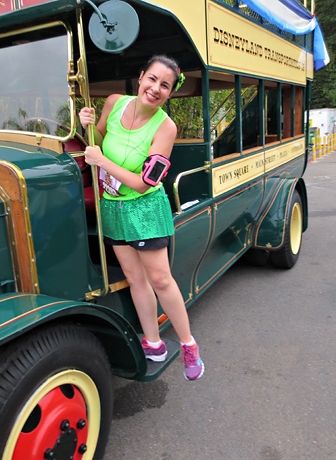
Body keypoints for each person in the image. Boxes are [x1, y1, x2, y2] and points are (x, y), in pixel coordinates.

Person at [79, 55, 204, 380]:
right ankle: (152, 343)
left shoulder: (165, 127)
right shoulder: (114, 103)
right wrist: (86, 124)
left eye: (165, 85)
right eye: (152, 79)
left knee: (160, 279)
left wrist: (101, 163)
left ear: (170, 93)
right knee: (135, 279)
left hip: (145, 210)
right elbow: (100, 138)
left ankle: (189, 345)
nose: (156, 88)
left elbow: (143, 181)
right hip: (113, 207)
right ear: (141, 77)